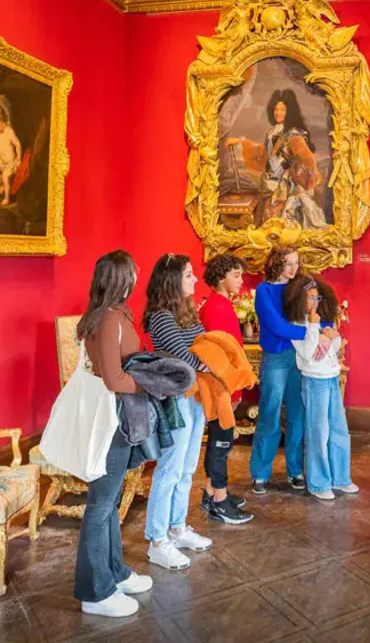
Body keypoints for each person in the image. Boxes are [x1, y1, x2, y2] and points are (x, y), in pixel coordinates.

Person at [74, 250, 153, 618]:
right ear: (122, 278)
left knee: (108, 501)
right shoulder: (108, 319)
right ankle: (96, 592)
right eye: (134, 270)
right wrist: (149, 383)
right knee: (101, 506)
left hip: (117, 418)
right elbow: (113, 378)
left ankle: (115, 572)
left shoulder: (115, 314)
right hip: (111, 419)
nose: (139, 274)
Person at [143, 254, 212, 570]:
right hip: (175, 398)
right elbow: (187, 355)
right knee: (170, 468)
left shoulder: (186, 311)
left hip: (194, 395)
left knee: (187, 468)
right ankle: (157, 540)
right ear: (172, 280)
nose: (195, 279)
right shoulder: (159, 316)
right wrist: (210, 363)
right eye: (188, 275)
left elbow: (202, 342)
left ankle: (177, 526)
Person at [250, 246, 330, 494]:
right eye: (288, 263)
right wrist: (312, 332)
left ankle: (295, 471)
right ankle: (261, 473)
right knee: (270, 414)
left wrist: (326, 330)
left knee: (297, 415)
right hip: (276, 358)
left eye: (296, 263)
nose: (294, 268)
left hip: (301, 357)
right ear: (276, 264)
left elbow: (320, 312)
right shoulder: (264, 290)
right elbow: (276, 326)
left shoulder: (301, 286)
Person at [284, 274, 359, 500]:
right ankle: (318, 483)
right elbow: (307, 353)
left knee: (338, 430)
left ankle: (340, 478)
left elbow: (334, 346)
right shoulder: (296, 325)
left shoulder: (322, 322)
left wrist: (329, 338)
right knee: (318, 432)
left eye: (317, 298)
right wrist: (317, 331)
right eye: (309, 299)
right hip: (314, 381)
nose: (314, 303)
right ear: (299, 300)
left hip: (331, 377)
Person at [198, 253, 254, 524]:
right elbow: (221, 356)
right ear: (221, 278)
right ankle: (219, 503)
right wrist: (233, 390)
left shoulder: (219, 303)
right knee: (221, 443)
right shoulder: (217, 307)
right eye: (236, 275)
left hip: (223, 386)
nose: (241, 281)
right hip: (222, 386)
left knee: (221, 441)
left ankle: (212, 492)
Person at [224, 88, 327, 228]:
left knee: (284, 227)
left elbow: (307, 159)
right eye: (276, 109)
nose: (278, 113)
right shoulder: (272, 133)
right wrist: (240, 142)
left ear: (289, 111)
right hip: (269, 185)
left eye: (283, 109)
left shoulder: (294, 135)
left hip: (286, 190)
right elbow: (266, 154)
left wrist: (297, 175)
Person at [0, 96, 22, 206]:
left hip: (11, 163)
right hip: (2, 163)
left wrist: (18, 159)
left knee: (5, 176)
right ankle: (2, 187)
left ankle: (7, 198)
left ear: (3, 122)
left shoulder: (9, 131)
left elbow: (18, 144)